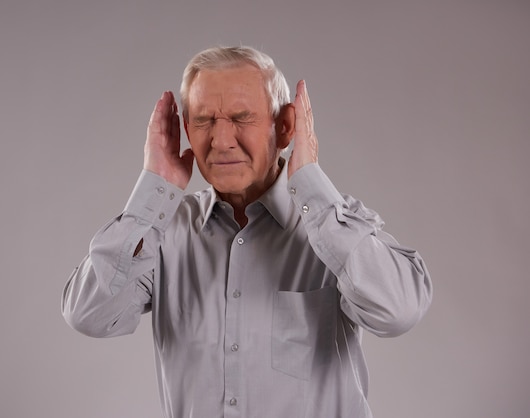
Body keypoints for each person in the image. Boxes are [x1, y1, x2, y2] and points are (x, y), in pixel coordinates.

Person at [62, 46, 432, 418]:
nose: (221, 141)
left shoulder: (333, 226)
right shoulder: (162, 232)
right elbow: (89, 315)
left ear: (285, 126)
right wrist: (152, 193)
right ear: (186, 129)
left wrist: (310, 184)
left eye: (242, 117)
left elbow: (399, 311)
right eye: (204, 120)